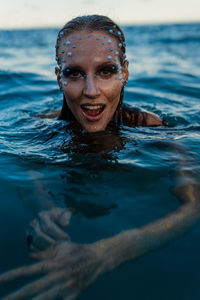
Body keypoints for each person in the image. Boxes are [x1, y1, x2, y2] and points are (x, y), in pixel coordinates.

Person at [0, 15, 200, 300]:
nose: (91, 91)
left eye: (106, 71)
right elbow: (26, 171)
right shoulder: (36, 129)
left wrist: (109, 253)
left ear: (125, 73)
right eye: (74, 73)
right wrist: (43, 209)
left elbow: (194, 205)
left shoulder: (152, 128)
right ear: (59, 77)